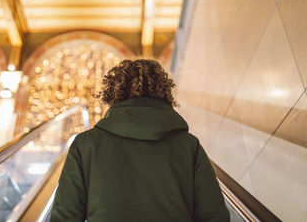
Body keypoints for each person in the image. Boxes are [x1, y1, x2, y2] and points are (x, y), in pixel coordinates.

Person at [50, 59, 230, 222]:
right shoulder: (189, 146)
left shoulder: (85, 145)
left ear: (114, 94)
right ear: (164, 92)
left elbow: (65, 216)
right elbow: (214, 216)